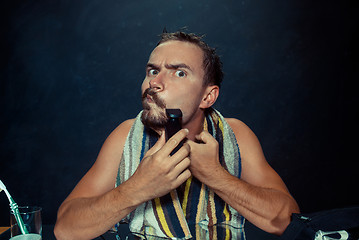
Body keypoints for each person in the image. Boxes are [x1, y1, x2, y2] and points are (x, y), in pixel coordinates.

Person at [54, 31, 300, 240]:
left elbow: (288, 220)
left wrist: (215, 175)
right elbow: (65, 229)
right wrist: (137, 188)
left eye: (179, 73)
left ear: (208, 97)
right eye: (152, 71)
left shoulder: (236, 135)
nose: (155, 83)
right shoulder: (125, 136)